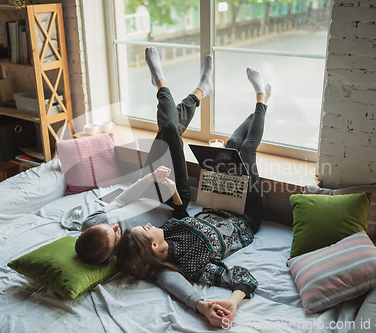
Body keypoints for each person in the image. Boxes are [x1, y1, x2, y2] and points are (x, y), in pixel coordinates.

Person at [75, 47, 231, 325]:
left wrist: (147, 179)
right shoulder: (132, 257)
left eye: (107, 226)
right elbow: (168, 278)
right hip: (173, 198)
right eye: (115, 235)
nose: (115, 226)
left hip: (149, 185)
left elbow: (121, 202)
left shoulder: (93, 225)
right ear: (111, 257)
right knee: (170, 129)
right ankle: (181, 87)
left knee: (168, 130)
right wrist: (200, 305)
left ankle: (176, 85)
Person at [115, 66, 271, 325]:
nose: (149, 223)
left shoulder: (169, 230)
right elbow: (242, 276)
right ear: (154, 246)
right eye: (145, 228)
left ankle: (260, 106)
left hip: (221, 201)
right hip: (246, 218)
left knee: (232, 147)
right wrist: (232, 302)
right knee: (248, 151)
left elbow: (179, 213)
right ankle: (261, 99)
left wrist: (173, 188)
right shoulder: (192, 267)